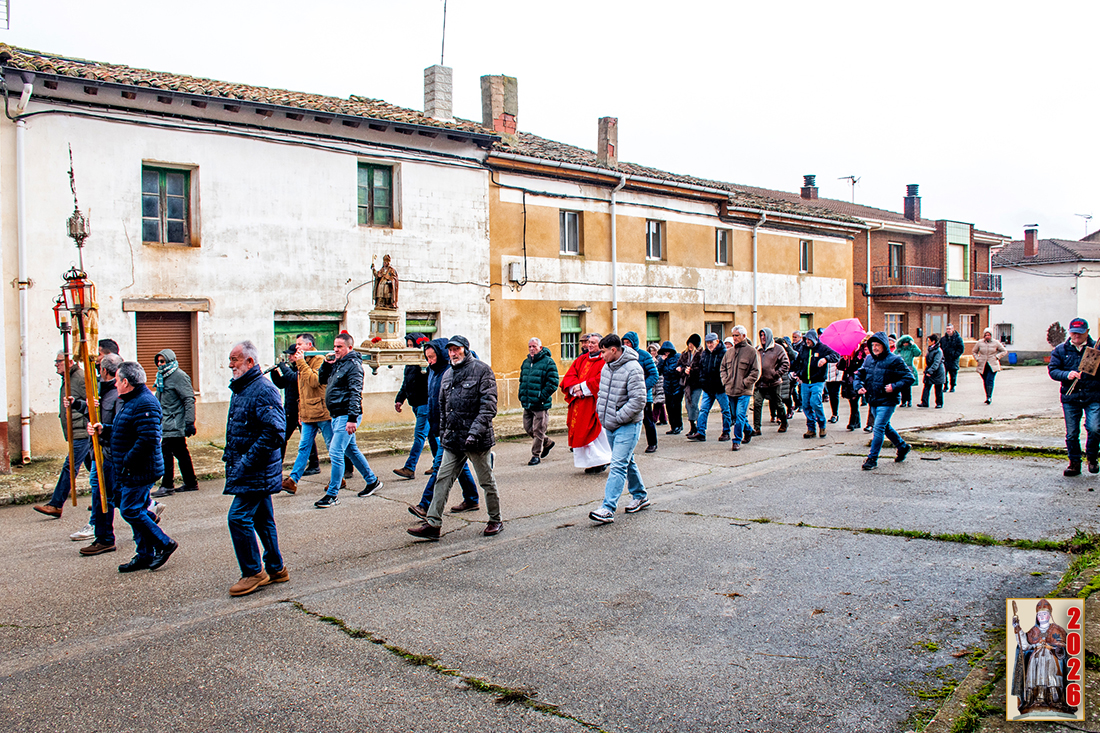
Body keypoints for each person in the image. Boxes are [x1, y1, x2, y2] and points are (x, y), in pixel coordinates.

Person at [408, 335, 502, 540]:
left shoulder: (482, 370)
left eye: (457, 349)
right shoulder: (448, 374)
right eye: (450, 350)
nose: (453, 353)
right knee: (442, 480)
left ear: (465, 350)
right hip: (453, 440)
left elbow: (488, 407)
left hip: (476, 440)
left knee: (486, 481)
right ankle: (433, 524)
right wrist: (443, 433)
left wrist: (474, 433)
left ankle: (495, 520)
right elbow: (443, 409)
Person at [223, 341, 290, 596]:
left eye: (235, 359)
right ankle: (276, 568)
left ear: (250, 361)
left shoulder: (263, 389)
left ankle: (253, 572)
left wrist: (247, 461)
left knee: (237, 518)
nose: (231, 364)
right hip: (249, 466)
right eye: (230, 359)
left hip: (255, 469)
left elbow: (274, 432)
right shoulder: (243, 388)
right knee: (263, 519)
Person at [110, 361, 178, 573]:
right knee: (133, 508)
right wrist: (104, 430)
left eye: (116, 380)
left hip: (140, 469)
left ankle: (164, 543)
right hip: (131, 468)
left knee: (131, 510)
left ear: (126, 382)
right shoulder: (131, 401)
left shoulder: (145, 403)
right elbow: (126, 430)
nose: (114, 384)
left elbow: (148, 439)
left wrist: (127, 460)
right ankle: (145, 554)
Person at [408, 337, 481, 518]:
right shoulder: (432, 371)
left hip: (453, 427)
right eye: (427, 357)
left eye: (432, 357)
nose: (430, 361)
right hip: (439, 426)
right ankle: (471, 498)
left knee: (440, 466)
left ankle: (425, 505)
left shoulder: (451, 370)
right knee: (459, 464)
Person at [315, 332, 383, 508]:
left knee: (336, 452)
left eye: (340, 347)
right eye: (335, 346)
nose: (336, 350)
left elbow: (355, 392)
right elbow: (322, 380)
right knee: (350, 450)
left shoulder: (353, 366)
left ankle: (332, 494)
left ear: (349, 347)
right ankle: (372, 481)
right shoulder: (337, 364)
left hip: (347, 415)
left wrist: (352, 418)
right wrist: (325, 364)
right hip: (337, 414)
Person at [588, 334, 650, 524]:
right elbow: (602, 393)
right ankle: (640, 496)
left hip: (628, 425)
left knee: (617, 465)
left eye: (603, 351)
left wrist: (618, 417)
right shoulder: (607, 367)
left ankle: (607, 508)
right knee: (626, 461)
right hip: (610, 424)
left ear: (613, 350)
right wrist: (602, 414)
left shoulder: (633, 368)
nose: (601, 355)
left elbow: (639, 400)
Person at [33, 351, 92, 518]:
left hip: (82, 431)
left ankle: (56, 504)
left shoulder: (79, 378)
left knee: (70, 466)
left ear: (69, 362)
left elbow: (92, 401)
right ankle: (107, 498)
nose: (56, 364)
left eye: (59, 361)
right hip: (76, 430)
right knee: (93, 466)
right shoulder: (68, 378)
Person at [280, 333, 339, 495]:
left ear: (309, 345)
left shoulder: (319, 359)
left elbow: (314, 381)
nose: (297, 347)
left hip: (321, 412)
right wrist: (300, 411)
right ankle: (292, 480)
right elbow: (301, 390)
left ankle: (338, 477)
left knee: (332, 446)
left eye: (300, 344)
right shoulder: (303, 361)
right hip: (307, 413)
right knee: (303, 447)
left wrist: (300, 363)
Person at [1048, 317, 1099, 477]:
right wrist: (1067, 374)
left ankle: (1092, 456)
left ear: (1087, 332)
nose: (1077, 336)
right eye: (1074, 333)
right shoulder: (1061, 350)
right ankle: (1074, 463)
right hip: (1070, 397)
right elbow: (1053, 370)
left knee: (1095, 428)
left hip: (1093, 395)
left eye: (1080, 333)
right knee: (1071, 433)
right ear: (1070, 332)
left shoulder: (1095, 350)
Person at [854, 332, 914, 470]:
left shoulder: (895, 360)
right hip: (873, 399)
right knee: (885, 427)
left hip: (888, 400)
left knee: (878, 427)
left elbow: (909, 378)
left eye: (878, 345)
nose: (875, 348)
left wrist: (894, 386)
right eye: (873, 345)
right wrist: (858, 386)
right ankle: (902, 446)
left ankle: (872, 459)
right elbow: (859, 374)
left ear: (884, 345)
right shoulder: (869, 359)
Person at [1011, 599, 1077, 716]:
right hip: (1035, 658)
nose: (1042, 616)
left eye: (1044, 614)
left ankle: (1055, 701)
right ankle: (1035, 700)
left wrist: (1057, 649)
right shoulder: (1033, 631)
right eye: (1039, 614)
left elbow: (1065, 647)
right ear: (1037, 616)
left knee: (1052, 676)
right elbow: (1025, 646)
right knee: (1033, 676)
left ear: (1050, 615)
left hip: (1051, 657)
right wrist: (1018, 629)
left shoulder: (1057, 630)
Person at [561, 333, 613, 474]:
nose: (589, 345)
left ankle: (602, 460)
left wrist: (583, 387)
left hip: (594, 402)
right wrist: (575, 388)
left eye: (593, 343)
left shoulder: (604, 361)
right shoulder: (581, 359)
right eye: (589, 342)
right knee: (581, 432)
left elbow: (602, 379)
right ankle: (591, 463)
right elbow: (570, 375)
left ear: (600, 345)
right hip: (579, 402)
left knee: (595, 434)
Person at [151, 349, 198, 497]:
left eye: (163, 361)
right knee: (181, 452)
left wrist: (189, 422)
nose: (160, 364)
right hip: (165, 421)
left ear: (170, 361)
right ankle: (190, 482)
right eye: (158, 361)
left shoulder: (179, 376)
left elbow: (189, 399)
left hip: (175, 422)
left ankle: (167, 485)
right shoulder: (161, 377)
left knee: (166, 451)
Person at [270, 339, 320, 478]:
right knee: (282, 437)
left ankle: (314, 464)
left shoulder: (301, 368)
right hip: (290, 410)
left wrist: (283, 367)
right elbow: (282, 383)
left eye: (291, 355)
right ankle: (277, 464)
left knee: (307, 439)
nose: (290, 357)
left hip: (300, 410)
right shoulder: (291, 369)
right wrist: (274, 372)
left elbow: (293, 378)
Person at [393, 333, 431, 478]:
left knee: (419, 435)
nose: (409, 348)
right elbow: (406, 383)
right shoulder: (410, 362)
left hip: (425, 404)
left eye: (411, 345)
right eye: (408, 345)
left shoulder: (425, 363)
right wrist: (399, 399)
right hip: (415, 404)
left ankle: (410, 467)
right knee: (432, 435)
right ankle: (439, 463)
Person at [518, 337, 560, 466]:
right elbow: (522, 380)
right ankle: (547, 442)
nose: (532, 349)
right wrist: (521, 395)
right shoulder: (526, 362)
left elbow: (553, 383)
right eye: (530, 346)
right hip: (528, 402)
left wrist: (541, 396)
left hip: (540, 404)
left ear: (540, 348)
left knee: (538, 430)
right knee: (528, 428)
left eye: (534, 346)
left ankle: (535, 455)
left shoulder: (548, 362)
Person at [791, 330, 839, 439]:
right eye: (806, 339)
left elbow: (836, 355)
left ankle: (822, 425)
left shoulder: (822, 348)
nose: (807, 341)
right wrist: (797, 373)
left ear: (814, 339)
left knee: (815, 402)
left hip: (818, 381)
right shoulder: (803, 349)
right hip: (805, 382)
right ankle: (811, 429)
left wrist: (825, 359)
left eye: (809, 339)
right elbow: (798, 362)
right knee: (806, 405)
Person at [720, 326, 761, 451]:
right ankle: (748, 430)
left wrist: (745, 382)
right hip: (731, 390)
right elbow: (723, 368)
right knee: (735, 416)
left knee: (740, 415)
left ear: (743, 336)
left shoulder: (752, 352)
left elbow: (756, 371)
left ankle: (736, 440)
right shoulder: (729, 352)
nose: (734, 338)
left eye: (737, 335)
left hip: (744, 391)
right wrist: (725, 381)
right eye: (733, 335)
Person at [687, 333, 732, 442]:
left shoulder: (724, 353)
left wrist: (725, 383)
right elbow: (702, 368)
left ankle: (726, 432)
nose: (709, 345)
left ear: (717, 341)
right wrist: (702, 382)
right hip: (707, 388)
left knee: (725, 410)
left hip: (720, 388)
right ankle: (700, 432)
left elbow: (728, 370)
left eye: (711, 342)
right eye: (707, 343)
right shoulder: (705, 354)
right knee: (703, 410)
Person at [622, 331, 659, 453]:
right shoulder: (622, 356)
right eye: (624, 343)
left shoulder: (644, 356)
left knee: (647, 420)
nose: (626, 345)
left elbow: (654, 375)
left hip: (644, 395)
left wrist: (642, 388)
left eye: (628, 343)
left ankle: (652, 443)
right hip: (628, 395)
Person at [973, 327, 1008, 404]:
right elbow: (974, 351)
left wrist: (997, 357)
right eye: (986, 335)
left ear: (991, 335)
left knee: (990, 380)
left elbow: (1004, 351)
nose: (987, 337)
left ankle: (989, 397)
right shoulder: (980, 342)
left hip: (992, 364)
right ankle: (987, 395)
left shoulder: (996, 343)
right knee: (985, 380)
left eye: (989, 335)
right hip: (983, 364)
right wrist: (977, 358)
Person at [837, 342, 867, 431]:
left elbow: (861, 368)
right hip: (847, 381)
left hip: (856, 380)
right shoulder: (846, 357)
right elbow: (839, 367)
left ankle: (852, 422)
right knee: (852, 402)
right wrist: (844, 359)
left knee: (854, 400)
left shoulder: (860, 356)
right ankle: (857, 422)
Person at [657, 341, 684, 434]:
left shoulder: (678, 357)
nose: (666, 353)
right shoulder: (663, 359)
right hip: (667, 387)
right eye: (665, 351)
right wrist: (662, 361)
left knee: (676, 407)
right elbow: (658, 371)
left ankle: (678, 425)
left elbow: (682, 366)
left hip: (677, 386)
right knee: (669, 407)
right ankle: (673, 426)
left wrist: (679, 369)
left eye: (668, 351)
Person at [681, 334, 703, 437]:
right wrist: (683, 370)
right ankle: (692, 426)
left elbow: (702, 368)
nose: (690, 346)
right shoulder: (685, 354)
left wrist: (692, 371)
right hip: (688, 384)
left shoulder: (701, 354)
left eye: (692, 344)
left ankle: (699, 426)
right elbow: (679, 365)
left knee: (694, 404)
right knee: (688, 405)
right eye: (689, 343)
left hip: (697, 383)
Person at [917, 334, 946, 409]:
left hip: (938, 372)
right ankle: (924, 402)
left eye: (929, 341)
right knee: (926, 386)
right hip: (930, 369)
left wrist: (930, 371)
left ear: (933, 341)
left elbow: (936, 362)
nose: (928, 342)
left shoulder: (938, 351)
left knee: (938, 388)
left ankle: (939, 403)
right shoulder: (930, 349)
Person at [894, 334, 921, 408]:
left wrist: (914, 345)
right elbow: (893, 356)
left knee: (908, 386)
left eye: (907, 343)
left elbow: (918, 353)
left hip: (909, 368)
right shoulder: (899, 350)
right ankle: (903, 401)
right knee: (902, 386)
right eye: (904, 343)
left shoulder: (911, 349)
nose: (905, 344)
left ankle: (909, 400)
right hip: (900, 369)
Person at [940, 324, 965, 393]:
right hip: (945, 359)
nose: (948, 330)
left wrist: (955, 355)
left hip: (953, 359)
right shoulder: (943, 339)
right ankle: (945, 386)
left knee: (953, 374)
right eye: (947, 329)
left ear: (953, 329)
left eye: (949, 329)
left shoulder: (958, 339)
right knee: (944, 374)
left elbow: (961, 349)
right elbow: (940, 348)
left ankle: (952, 386)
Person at [648, 343, 668, 425]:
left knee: (658, 402)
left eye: (654, 351)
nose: (652, 352)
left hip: (660, 382)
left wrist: (655, 361)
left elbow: (658, 369)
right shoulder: (650, 358)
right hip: (654, 384)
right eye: (651, 351)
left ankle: (653, 419)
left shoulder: (661, 359)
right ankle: (663, 419)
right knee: (659, 402)